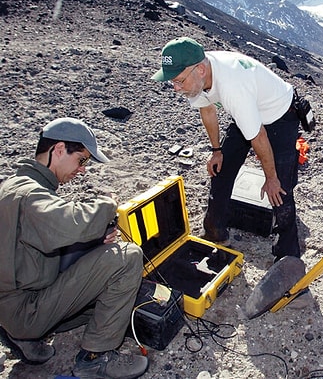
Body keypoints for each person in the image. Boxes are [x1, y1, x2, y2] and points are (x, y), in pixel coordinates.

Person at [0, 117, 148, 379]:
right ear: (58, 150)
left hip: (11, 304)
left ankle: (19, 336)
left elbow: (37, 246)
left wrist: (92, 242)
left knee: (101, 287)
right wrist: (107, 205)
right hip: (26, 311)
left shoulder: (14, 186)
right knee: (127, 258)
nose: (82, 170)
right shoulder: (31, 196)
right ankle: (95, 357)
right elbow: (72, 224)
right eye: (81, 160)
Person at [152, 37, 301, 262]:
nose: (176, 88)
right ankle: (215, 232)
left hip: (280, 114)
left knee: (279, 190)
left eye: (179, 81)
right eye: (173, 82)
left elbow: (259, 137)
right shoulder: (198, 74)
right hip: (250, 112)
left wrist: (270, 178)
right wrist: (216, 150)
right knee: (221, 169)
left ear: (199, 70)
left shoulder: (233, 86)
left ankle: (287, 257)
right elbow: (207, 110)